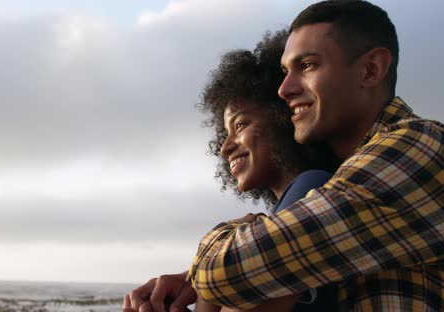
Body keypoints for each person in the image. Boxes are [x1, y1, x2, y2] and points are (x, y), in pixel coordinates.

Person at [128, 1, 444, 311]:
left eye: (307, 65)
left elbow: (223, 271)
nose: (284, 89)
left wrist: (226, 239)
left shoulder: (420, 144)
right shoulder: (343, 192)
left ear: (370, 69)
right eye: (285, 71)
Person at [123, 31, 340, 312]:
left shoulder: (311, 188)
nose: (225, 147)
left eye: (240, 125)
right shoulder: (284, 215)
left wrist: (223, 238)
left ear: (286, 116)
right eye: (224, 133)